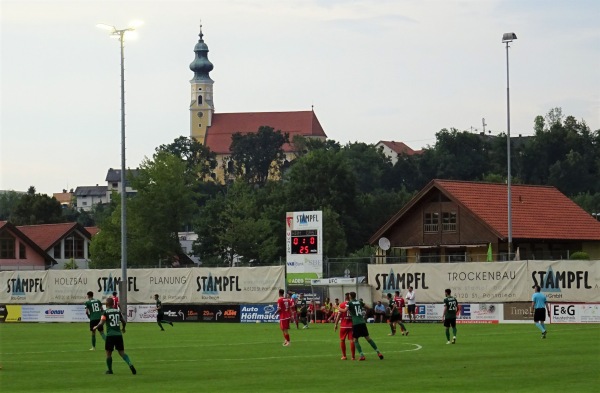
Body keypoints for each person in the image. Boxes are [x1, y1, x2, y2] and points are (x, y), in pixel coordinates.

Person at [93, 297, 136, 375]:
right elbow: (124, 322)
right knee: (122, 353)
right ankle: (130, 364)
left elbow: (102, 323)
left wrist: (96, 327)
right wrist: (123, 328)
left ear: (106, 304)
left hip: (110, 336)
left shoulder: (105, 312)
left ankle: (110, 370)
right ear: (113, 304)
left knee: (108, 353)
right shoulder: (117, 311)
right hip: (118, 335)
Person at [344, 292, 383, 361]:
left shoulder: (349, 303)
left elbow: (344, 310)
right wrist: (361, 313)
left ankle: (362, 355)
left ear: (350, 296)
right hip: (362, 322)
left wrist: (337, 308)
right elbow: (369, 307)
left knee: (355, 340)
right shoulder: (359, 302)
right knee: (368, 338)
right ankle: (378, 352)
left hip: (356, 323)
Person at [334, 292, 356, 360]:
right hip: (352, 325)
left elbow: (339, 315)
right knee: (352, 340)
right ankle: (353, 357)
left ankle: (344, 356)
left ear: (345, 297)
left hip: (343, 325)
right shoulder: (353, 304)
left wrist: (336, 324)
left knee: (342, 340)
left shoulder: (342, 304)